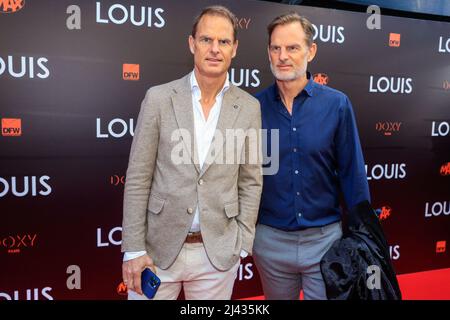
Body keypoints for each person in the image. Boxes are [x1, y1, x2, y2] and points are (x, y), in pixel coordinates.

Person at [121, 5, 262, 300]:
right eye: (206, 40)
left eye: (223, 42)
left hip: (218, 256)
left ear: (234, 48)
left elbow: (251, 179)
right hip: (157, 252)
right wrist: (133, 249)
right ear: (191, 44)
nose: (214, 49)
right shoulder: (159, 99)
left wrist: (242, 242)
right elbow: (137, 177)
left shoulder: (249, 107)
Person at [253, 12, 371, 300]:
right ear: (268, 51)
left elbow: (352, 175)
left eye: (292, 47)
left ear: (311, 51)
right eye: (275, 48)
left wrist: (363, 238)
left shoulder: (337, 104)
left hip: (325, 242)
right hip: (270, 243)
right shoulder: (251, 108)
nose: (282, 56)